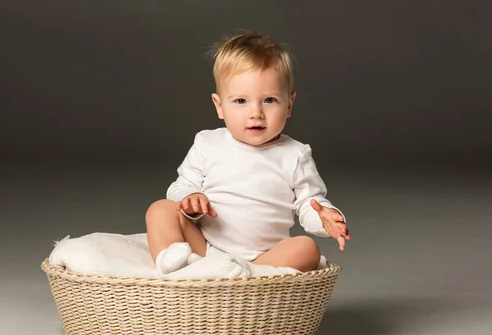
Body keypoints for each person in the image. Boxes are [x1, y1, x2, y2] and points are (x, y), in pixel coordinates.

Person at [145, 32, 350, 274]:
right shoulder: (207, 143)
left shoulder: (295, 155)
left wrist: (326, 218)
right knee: (160, 209)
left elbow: (309, 204)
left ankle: (248, 274)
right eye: (241, 101)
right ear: (219, 106)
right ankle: (174, 260)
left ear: (289, 104)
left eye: (270, 100)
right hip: (205, 247)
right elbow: (180, 186)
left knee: (307, 249)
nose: (256, 113)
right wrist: (189, 198)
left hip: (264, 255)